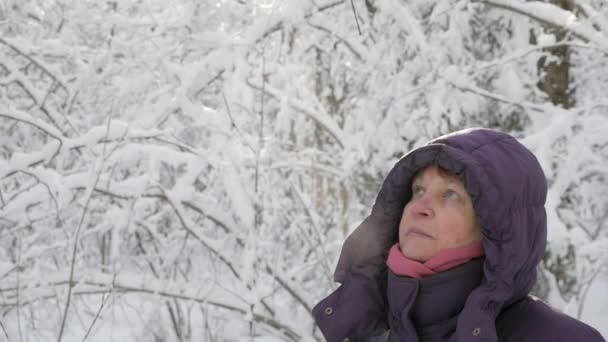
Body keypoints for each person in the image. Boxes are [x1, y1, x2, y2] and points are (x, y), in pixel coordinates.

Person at [312, 128, 606, 342]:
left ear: (496, 229)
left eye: (450, 194)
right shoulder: (366, 333)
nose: (420, 208)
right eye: (418, 190)